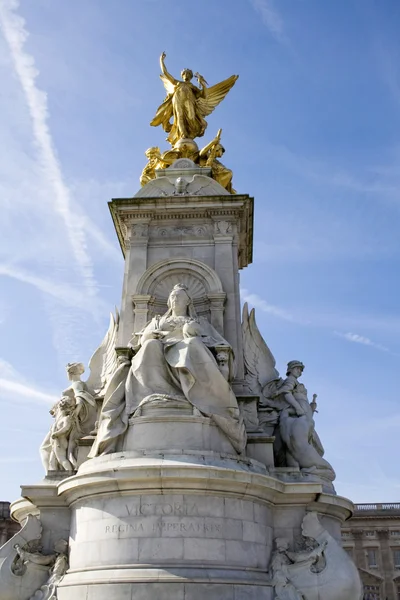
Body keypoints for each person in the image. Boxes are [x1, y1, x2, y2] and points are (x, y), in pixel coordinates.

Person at [90, 283, 246, 457]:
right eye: (172, 297)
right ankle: (156, 394)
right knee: (150, 346)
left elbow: (219, 343)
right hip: (161, 351)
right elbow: (138, 341)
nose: (174, 299)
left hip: (189, 351)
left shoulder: (198, 321)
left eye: (179, 296)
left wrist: (194, 334)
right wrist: (149, 337)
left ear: (188, 301)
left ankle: (192, 395)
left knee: (192, 345)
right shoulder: (157, 321)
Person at [150, 52, 238, 147]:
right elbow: (165, 73)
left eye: (188, 74)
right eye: (184, 73)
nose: (186, 75)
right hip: (177, 99)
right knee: (179, 116)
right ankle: (183, 134)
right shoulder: (178, 83)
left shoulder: (192, 87)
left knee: (191, 116)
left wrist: (202, 84)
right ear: (182, 75)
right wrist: (161, 61)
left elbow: (204, 95)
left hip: (189, 100)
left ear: (191, 76)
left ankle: (191, 132)